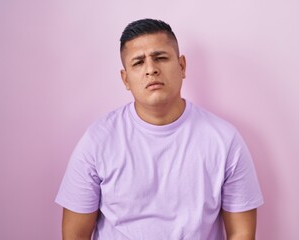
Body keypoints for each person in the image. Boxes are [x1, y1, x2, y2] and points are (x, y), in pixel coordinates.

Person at [55, 18, 264, 240]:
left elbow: (241, 232)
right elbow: (74, 234)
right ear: (125, 79)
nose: (151, 70)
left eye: (160, 58)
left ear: (182, 66)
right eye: (138, 62)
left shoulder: (224, 141)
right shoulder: (98, 141)